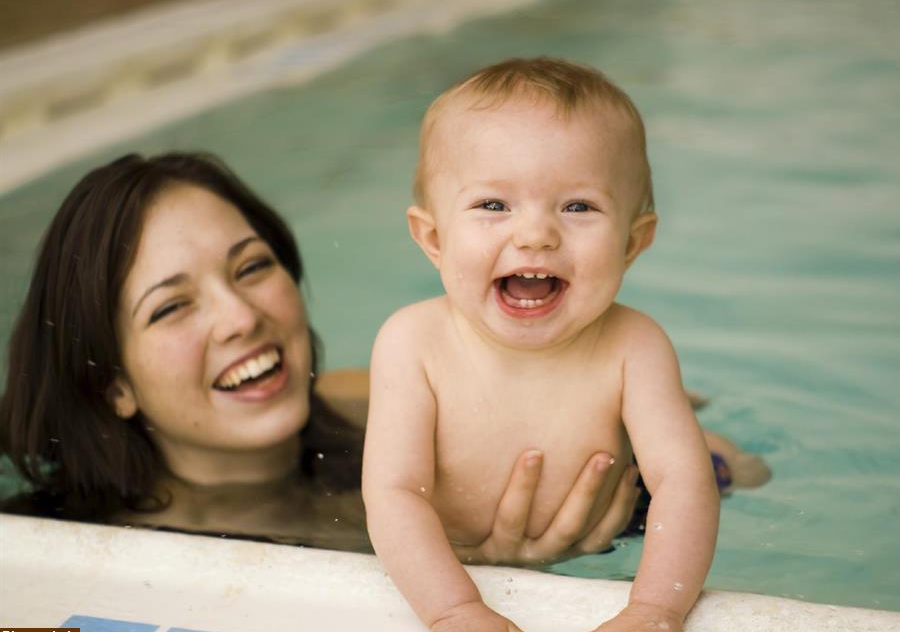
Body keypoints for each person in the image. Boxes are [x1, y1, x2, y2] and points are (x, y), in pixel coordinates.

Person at [0, 152, 645, 564]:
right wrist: (481, 576)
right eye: (171, 307)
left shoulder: (371, 401)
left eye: (252, 267)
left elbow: (721, 450)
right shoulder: (56, 553)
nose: (242, 316)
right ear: (112, 383)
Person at [363, 57, 738, 632]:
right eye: (494, 205)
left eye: (578, 206)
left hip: (620, 529)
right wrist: (455, 609)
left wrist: (653, 612)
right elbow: (393, 493)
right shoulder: (413, 344)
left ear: (632, 243)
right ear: (433, 239)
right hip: (464, 559)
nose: (536, 234)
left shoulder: (634, 345)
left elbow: (683, 485)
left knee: (726, 470)